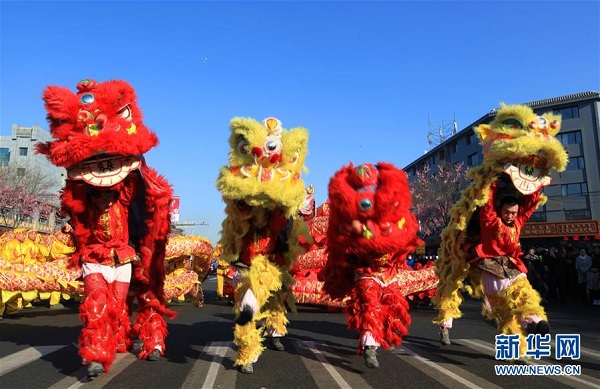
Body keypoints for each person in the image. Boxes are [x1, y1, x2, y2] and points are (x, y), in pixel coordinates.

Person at [438, 179, 549, 347]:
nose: (510, 216)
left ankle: (535, 323)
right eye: (507, 212)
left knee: (526, 296)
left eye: (513, 212)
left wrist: (536, 183)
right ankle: (446, 324)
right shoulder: (490, 222)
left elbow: (530, 205)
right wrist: (490, 181)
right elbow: (487, 203)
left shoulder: (518, 221)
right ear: (500, 210)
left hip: (512, 268)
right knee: (504, 314)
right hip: (490, 270)